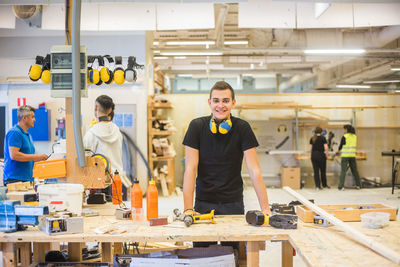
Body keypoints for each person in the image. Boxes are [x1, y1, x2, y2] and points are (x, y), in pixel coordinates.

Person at [182, 81, 271, 252]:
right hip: (203, 203)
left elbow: (254, 170)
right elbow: (190, 169)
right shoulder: (197, 127)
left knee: (232, 256)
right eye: (216, 100)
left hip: (233, 203)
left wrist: (265, 208)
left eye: (225, 100)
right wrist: (188, 208)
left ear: (233, 103)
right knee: (202, 257)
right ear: (209, 102)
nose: (220, 105)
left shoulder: (242, 128)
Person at [84, 95, 131, 188]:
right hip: (118, 179)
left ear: (96, 108)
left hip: (101, 182)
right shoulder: (117, 131)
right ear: (110, 110)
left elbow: (86, 158)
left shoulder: (92, 133)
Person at [3, 105, 48, 185]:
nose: (34, 120)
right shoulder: (15, 133)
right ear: (24, 118)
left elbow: (27, 157)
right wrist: (37, 157)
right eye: (32, 117)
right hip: (15, 180)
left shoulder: (28, 135)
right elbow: (14, 155)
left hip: (26, 179)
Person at [337, 124, 361, 190]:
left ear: (346, 129)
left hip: (345, 156)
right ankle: (359, 185)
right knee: (355, 171)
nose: (344, 130)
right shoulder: (354, 136)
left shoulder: (345, 136)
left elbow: (341, 145)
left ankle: (341, 186)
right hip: (352, 155)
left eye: (344, 129)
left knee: (343, 171)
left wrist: (338, 151)